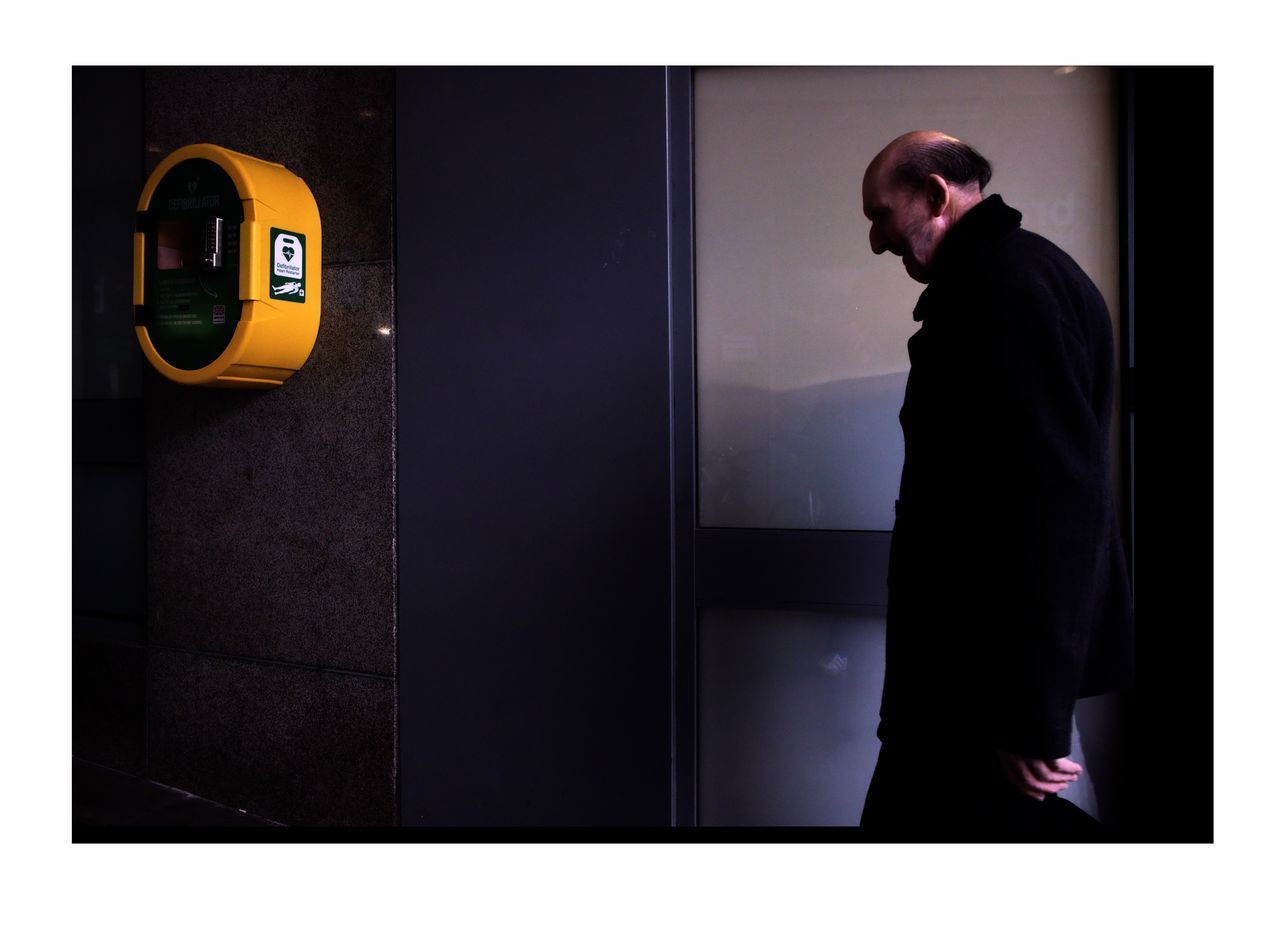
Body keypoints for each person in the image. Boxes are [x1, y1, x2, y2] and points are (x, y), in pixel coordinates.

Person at [857, 131, 1134, 840]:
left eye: (880, 215)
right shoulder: (1008, 278)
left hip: (974, 689)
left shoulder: (1006, 288)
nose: (877, 241)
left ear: (934, 194)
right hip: (973, 683)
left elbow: (1057, 504)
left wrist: (1031, 716)